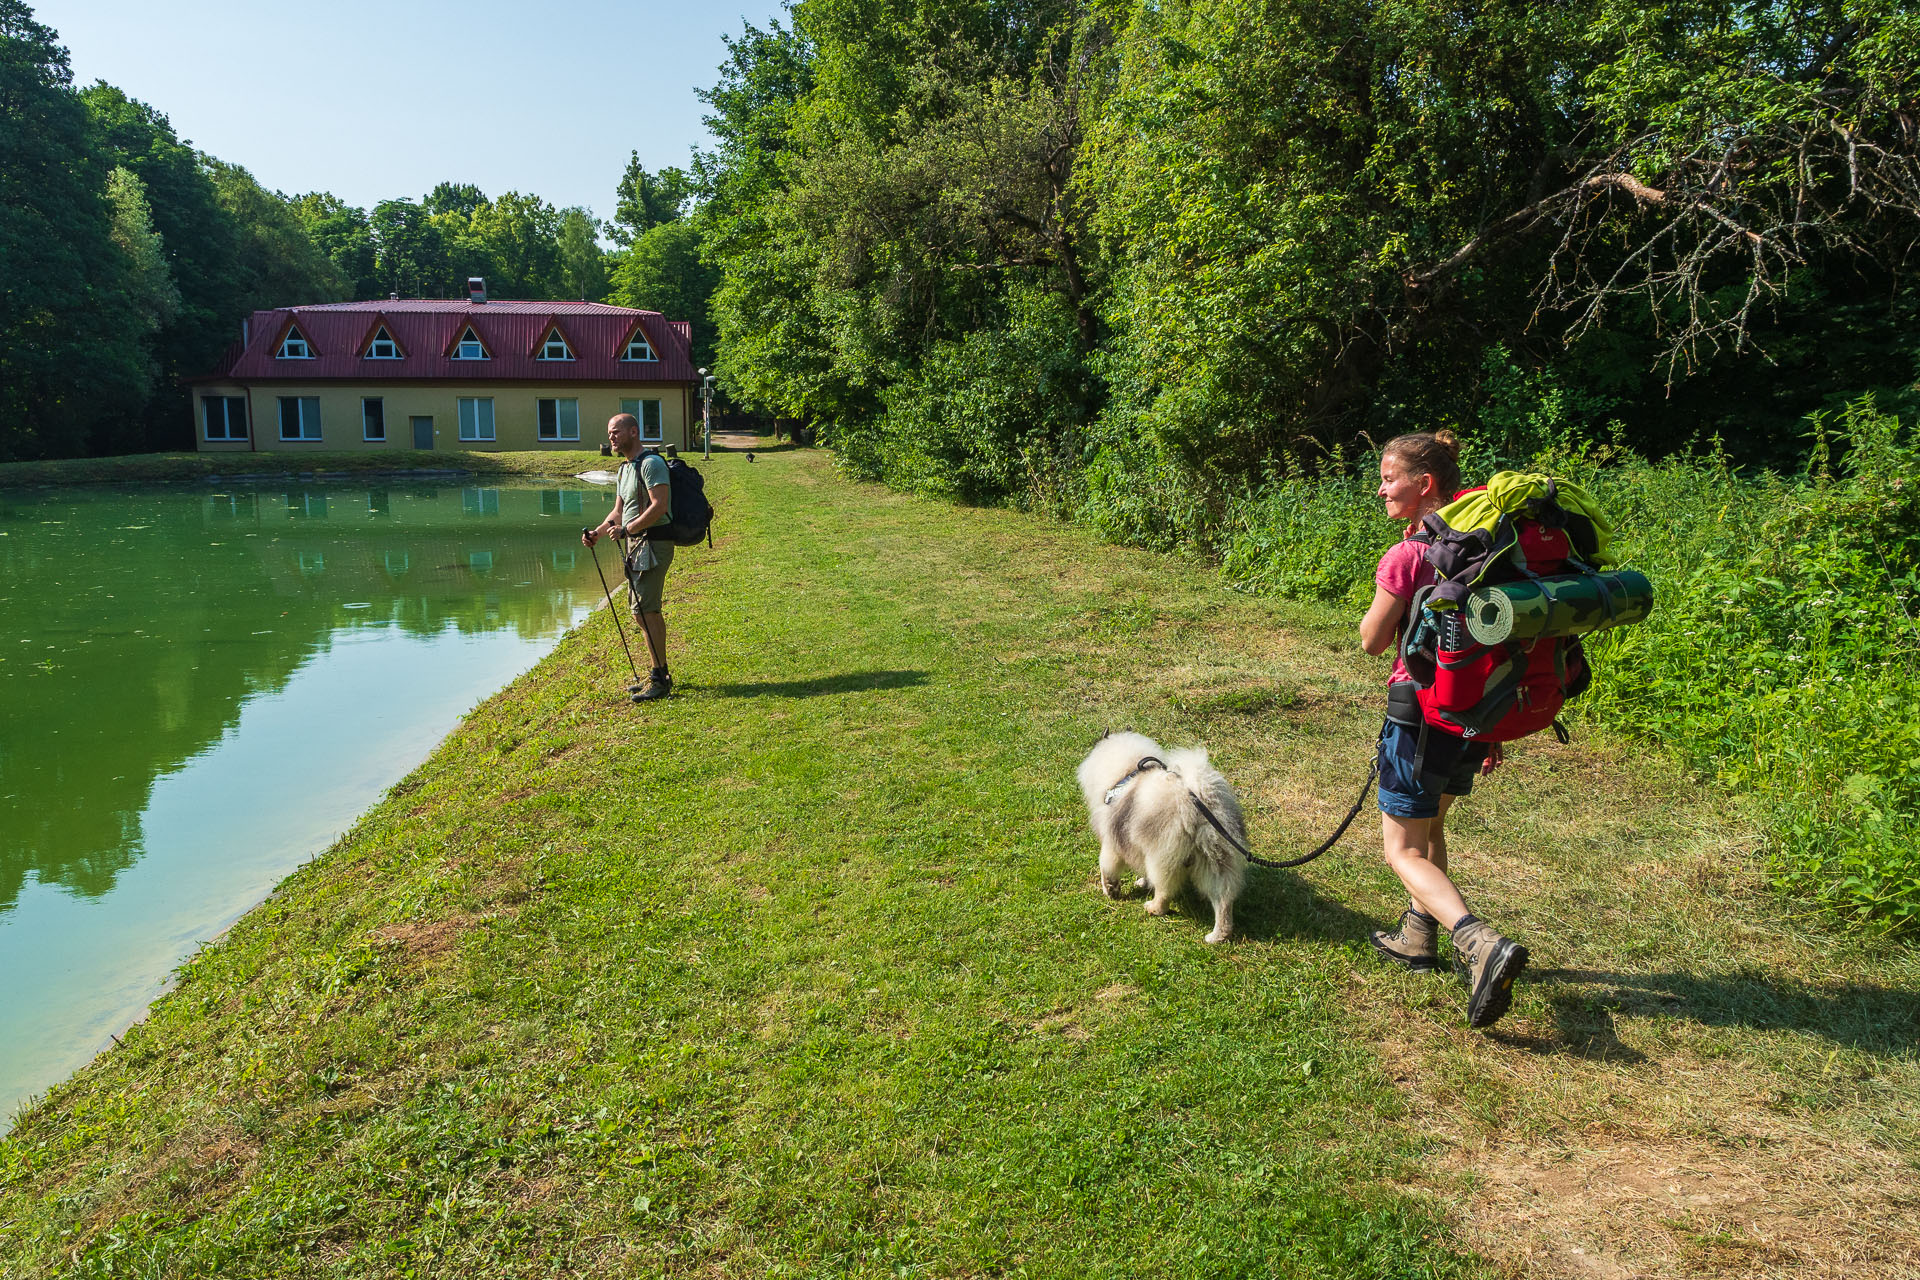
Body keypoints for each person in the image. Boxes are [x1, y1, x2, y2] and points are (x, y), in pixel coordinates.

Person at [1357, 430, 1528, 1029]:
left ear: (1424, 484)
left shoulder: (1408, 556)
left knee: (1401, 848)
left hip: (1421, 714)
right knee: (1430, 826)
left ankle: (1477, 942)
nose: (1380, 489)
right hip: (1474, 715)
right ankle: (1416, 933)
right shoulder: (1488, 549)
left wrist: (1386, 603)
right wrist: (1496, 730)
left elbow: (1374, 640)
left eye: (1388, 477)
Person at [583, 413, 674, 702]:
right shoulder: (625, 469)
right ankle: (659, 672)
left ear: (633, 432)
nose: (611, 437)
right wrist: (599, 532)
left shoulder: (651, 464)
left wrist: (629, 530)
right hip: (636, 544)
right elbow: (618, 512)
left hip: (654, 543)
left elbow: (660, 506)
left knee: (647, 610)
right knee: (640, 611)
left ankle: (660, 678)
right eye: (609, 432)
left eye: (616, 432)